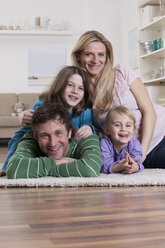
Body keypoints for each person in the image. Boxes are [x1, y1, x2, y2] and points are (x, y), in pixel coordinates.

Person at [71, 30, 165, 169]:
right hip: (132, 151)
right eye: (89, 54)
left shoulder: (122, 72)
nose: (96, 60)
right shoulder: (79, 91)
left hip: (158, 133)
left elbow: (149, 111)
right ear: (78, 57)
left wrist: (142, 154)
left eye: (101, 55)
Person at [1, 66, 95, 173]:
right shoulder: (43, 102)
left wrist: (90, 128)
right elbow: (33, 125)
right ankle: (6, 167)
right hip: (37, 135)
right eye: (70, 85)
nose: (75, 91)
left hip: (65, 142)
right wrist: (24, 116)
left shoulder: (85, 111)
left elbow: (89, 133)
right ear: (60, 85)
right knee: (20, 137)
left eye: (80, 88)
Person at [6, 103, 102, 179]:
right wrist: (59, 162)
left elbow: (90, 169)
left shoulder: (86, 138)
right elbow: (14, 169)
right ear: (35, 136)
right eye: (44, 136)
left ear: (69, 132)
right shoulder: (30, 138)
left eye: (58, 133)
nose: (52, 143)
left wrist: (34, 169)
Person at [100, 106, 144, 174]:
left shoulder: (135, 143)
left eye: (128, 126)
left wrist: (134, 167)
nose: (123, 129)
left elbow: (138, 162)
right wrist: (120, 166)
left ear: (134, 129)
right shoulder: (105, 143)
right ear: (107, 130)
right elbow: (104, 166)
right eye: (117, 125)